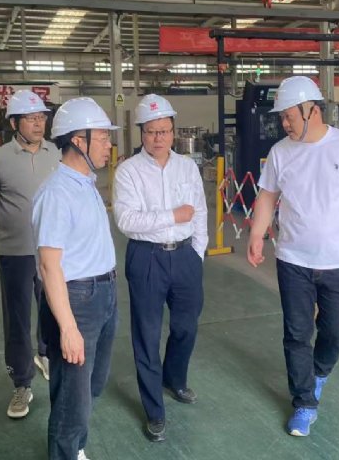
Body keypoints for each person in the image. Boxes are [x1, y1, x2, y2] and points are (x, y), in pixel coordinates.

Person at [246, 76, 339, 438]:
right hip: (293, 259)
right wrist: (257, 234)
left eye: (289, 116)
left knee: (336, 330)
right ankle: (304, 402)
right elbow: (267, 196)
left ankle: (318, 373)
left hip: (337, 261)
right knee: (296, 333)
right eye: (282, 118)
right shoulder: (280, 152)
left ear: (312, 111)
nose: (284, 124)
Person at [113, 94, 207, 443]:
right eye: (152, 131)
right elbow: (127, 221)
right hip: (146, 258)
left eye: (164, 131)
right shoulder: (129, 171)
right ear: (141, 132)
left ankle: (175, 379)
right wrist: (172, 216)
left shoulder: (187, 167)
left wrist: (197, 252)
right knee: (147, 335)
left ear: (173, 131)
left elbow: (199, 211)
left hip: (185, 256)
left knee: (186, 326)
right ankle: (154, 409)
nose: (158, 138)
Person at [31, 97, 119, 460]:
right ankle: (65, 452)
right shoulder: (57, 192)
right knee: (72, 394)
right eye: (103, 137)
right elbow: (49, 266)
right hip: (77, 299)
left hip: (104, 293)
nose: (109, 144)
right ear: (79, 141)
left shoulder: (86, 182)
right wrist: (68, 328)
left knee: (90, 386)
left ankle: (74, 447)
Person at [0, 90, 60, 419]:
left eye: (41, 118)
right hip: (15, 251)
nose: (39, 124)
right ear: (14, 123)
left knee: (53, 308)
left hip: (51, 250)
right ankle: (22, 382)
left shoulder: (56, 153)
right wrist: (14, 215)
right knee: (17, 318)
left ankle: (46, 354)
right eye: (31, 119)